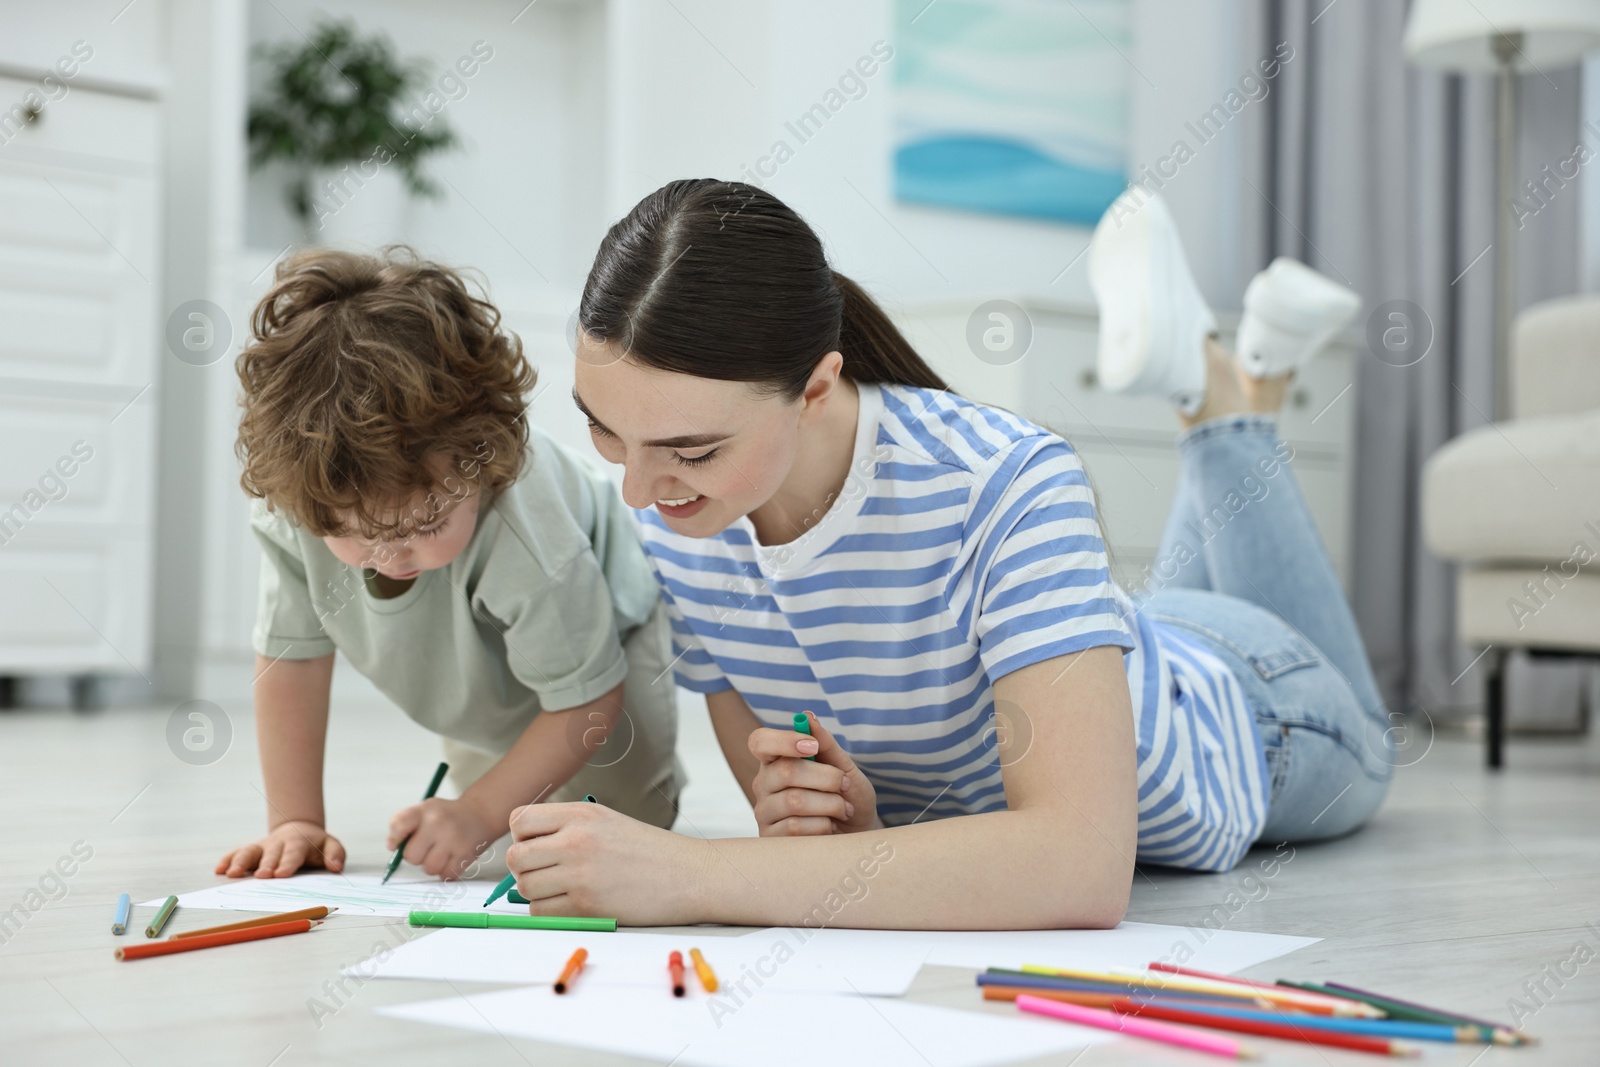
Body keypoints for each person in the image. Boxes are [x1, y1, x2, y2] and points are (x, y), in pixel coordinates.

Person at [503, 179, 1391, 930]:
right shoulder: (681, 519)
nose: (637, 492)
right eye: (605, 431)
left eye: (691, 451)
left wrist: (688, 874)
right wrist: (835, 821)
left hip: (1249, 709)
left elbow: (1080, 866)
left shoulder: (1005, 481)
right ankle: (1237, 381)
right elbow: (823, 853)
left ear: (816, 386)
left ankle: (1231, 398)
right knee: (1136, 619)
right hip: (1115, 646)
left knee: (1376, 735)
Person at [216, 248, 682, 882]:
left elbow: (590, 701)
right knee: (497, 814)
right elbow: (289, 664)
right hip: (479, 662)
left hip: (605, 652)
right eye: (352, 535)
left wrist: (481, 810)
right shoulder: (300, 504)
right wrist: (294, 819)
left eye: (426, 524)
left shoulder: (526, 534)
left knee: (627, 821)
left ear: (483, 460)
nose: (390, 553)